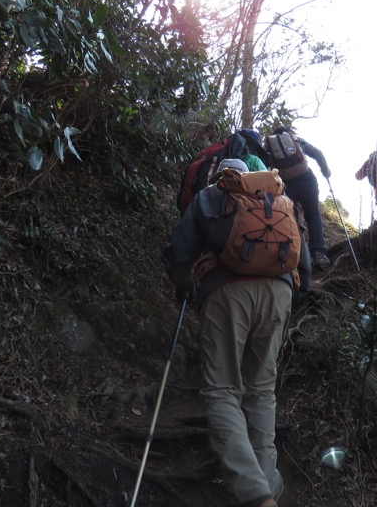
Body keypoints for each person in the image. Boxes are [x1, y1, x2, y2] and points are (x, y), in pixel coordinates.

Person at [164, 158, 300, 507]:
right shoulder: (278, 200)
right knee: (261, 391)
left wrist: (182, 280)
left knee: (223, 389)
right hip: (279, 293)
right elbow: (301, 258)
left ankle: (255, 496)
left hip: (228, 291)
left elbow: (183, 244)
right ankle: (269, 485)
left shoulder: (213, 194)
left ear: (223, 175)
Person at [265, 126, 331, 269]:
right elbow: (318, 154)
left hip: (287, 185)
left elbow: (266, 169)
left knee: (292, 219)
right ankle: (318, 253)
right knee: (313, 214)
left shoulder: (270, 147)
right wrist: (326, 172)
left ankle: (299, 256)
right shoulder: (296, 140)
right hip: (307, 179)